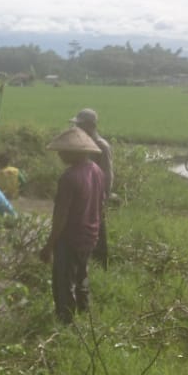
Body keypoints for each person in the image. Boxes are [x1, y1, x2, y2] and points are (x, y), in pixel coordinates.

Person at [38, 127, 104, 324]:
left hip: (70, 238)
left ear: (74, 152)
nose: (59, 154)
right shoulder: (96, 171)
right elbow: (100, 204)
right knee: (82, 276)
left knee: (63, 282)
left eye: (62, 151)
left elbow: (61, 216)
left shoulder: (69, 177)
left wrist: (49, 245)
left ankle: (65, 322)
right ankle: (84, 313)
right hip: (90, 235)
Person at [71, 108, 112, 267]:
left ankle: (102, 263)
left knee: (98, 229)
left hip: (97, 195)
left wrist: (103, 197)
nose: (78, 128)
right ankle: (85, 262)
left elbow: (107, 175)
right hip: (84, 195)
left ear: (91, 125)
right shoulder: (82, 144)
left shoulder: (101, 145)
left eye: (80, 125)